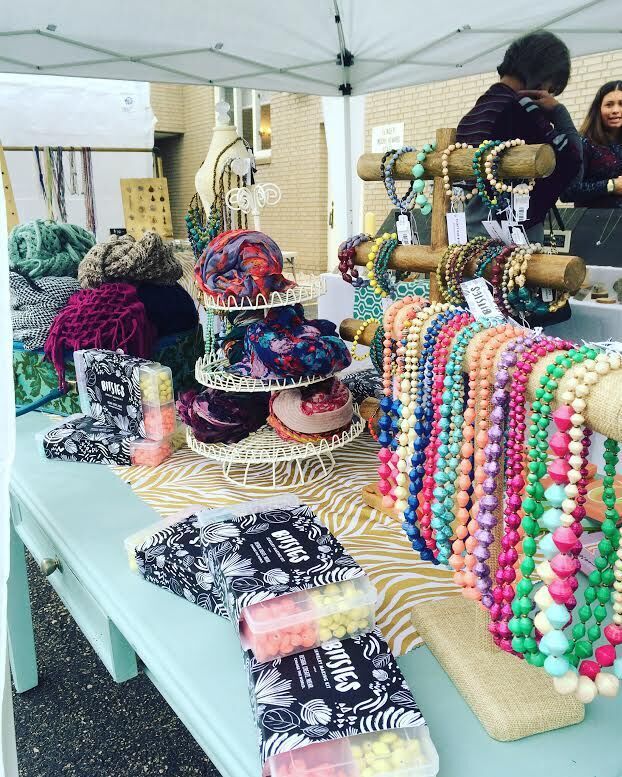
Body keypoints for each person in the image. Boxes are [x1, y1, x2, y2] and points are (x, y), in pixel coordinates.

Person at [456, 31, 582, 242]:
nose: (548, 95)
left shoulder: (472, 116)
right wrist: (560, 113)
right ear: (544, 80)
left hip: (470, 237)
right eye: (552, 89)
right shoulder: (523, 111)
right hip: (515, 242)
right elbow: (574, 170)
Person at [563, 80, 622, 207]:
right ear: (598, 109)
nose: (615, 110)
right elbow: (567, 192)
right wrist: (611, 185)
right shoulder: (582, 143)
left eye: (621, 104)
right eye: (609, 105)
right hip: (593, 218)